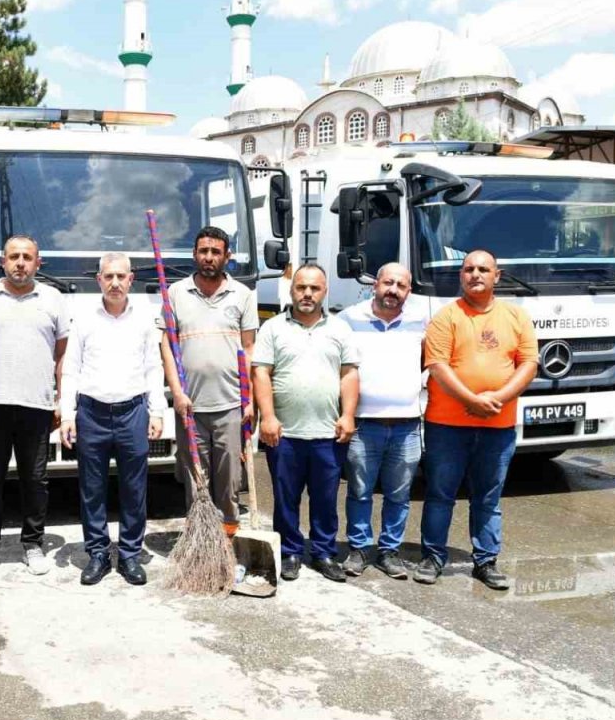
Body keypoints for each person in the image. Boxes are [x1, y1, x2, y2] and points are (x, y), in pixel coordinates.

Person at [416, 249, 538, 589]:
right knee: (440, 494)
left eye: (483, 269)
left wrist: (496, 399)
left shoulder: (516, 316)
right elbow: (437, 366)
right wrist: (471, 400)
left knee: (488, 497)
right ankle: (432, 557)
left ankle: (486, 561)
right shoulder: (446, 317)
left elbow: (529, 364)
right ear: (461, 276)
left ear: (497, 276)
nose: (475, 274)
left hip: (497, 426)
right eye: (468, 269)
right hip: (447, 426)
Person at [60, 253, 166, 586]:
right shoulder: (84, 320)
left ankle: (130, 554)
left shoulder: (144, 321)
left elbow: (153, 367)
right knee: (92, 489)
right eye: (109, 277)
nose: (115, 283)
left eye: (121, 276)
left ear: (131, 280)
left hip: (133, 413)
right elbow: (70, 369)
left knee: (134, 488)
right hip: (91, 414)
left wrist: (157, 410)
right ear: (99, 280)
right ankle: (98, 554)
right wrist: (68, 414)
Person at [0, 236, 69, 577]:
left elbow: (62, 357)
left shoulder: (53, 299)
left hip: (36, 405)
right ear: (3, 261)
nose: (20, 263)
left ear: (38, 263)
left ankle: (33, 544)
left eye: (27, 257)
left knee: (36, 480)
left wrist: (60, 400)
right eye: (14, 256)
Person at [253, 264, 360, 583]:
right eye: (301, 287)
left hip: (328, 433)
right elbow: (261, 373)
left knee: (325, 499)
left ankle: (324, 552)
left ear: (325, 291)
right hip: (284, 434)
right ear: (292, 290)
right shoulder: (273, 328)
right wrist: (268, 416)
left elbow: (349, 374)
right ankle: (290, 552)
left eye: (314, 288)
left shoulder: (340, 329)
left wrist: (348, 414)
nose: (307, 294)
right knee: (286, 498)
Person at [159, 226, 258, 528]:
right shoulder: (175, 293)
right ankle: (200, 539)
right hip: (190, 406)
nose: (209, 257)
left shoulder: (242, 295)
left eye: (216, 252)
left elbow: (250, 349)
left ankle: (228, 540)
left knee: (230, 481)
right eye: (204, 251)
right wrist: (177, 393)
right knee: (196, 481)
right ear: (194, 254)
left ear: (227, 256)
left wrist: (250, 401)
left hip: (231, 405)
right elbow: (167, 346)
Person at [336, 264, 426, 580]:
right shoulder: (348, 319)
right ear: (375, 284)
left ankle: (389, 551)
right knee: (360, 491)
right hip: (364, 425)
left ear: (409, 291)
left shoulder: (421, 321)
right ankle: (359, 549)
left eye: (401, 285)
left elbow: (432, 358)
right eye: (388, 283)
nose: (393, 290)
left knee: (399, 495)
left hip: (407, 426)